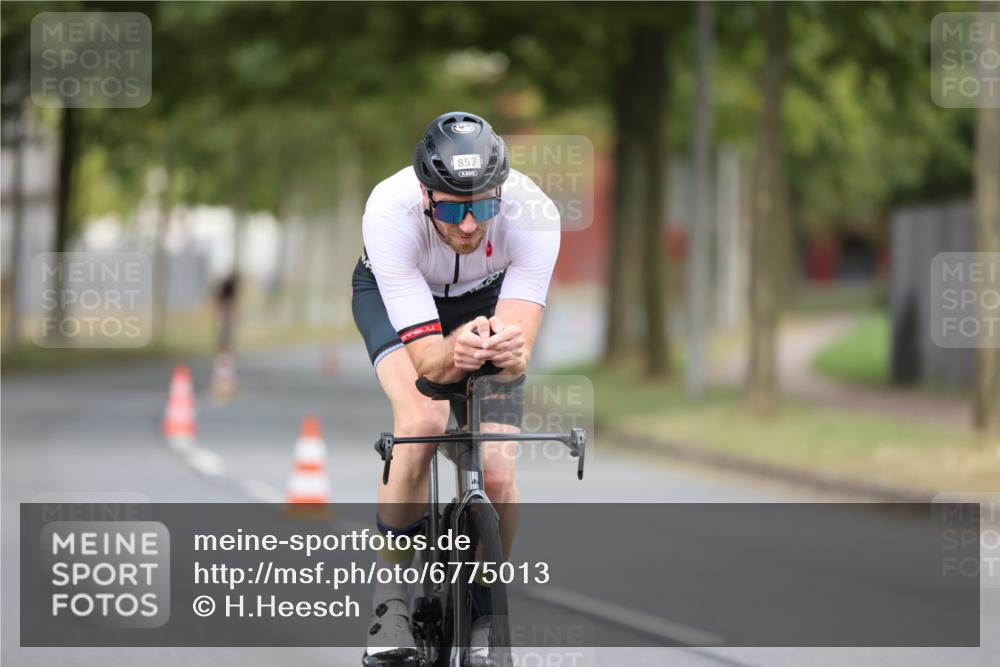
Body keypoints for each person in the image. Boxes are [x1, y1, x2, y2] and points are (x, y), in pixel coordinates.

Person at [351, 111, 560, 661]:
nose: (468, 225)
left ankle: (486, 606)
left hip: (486, 297)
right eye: (450, 209)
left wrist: (506, 355)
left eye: (483, 207)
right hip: (397, 297)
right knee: (422, 422)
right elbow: (429, 364)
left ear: (501, 194)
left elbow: (516, 359)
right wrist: (453, 352)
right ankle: (389, 600)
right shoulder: (389, 210)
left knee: (498, 471)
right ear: (425, 195)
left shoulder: (535, 214)